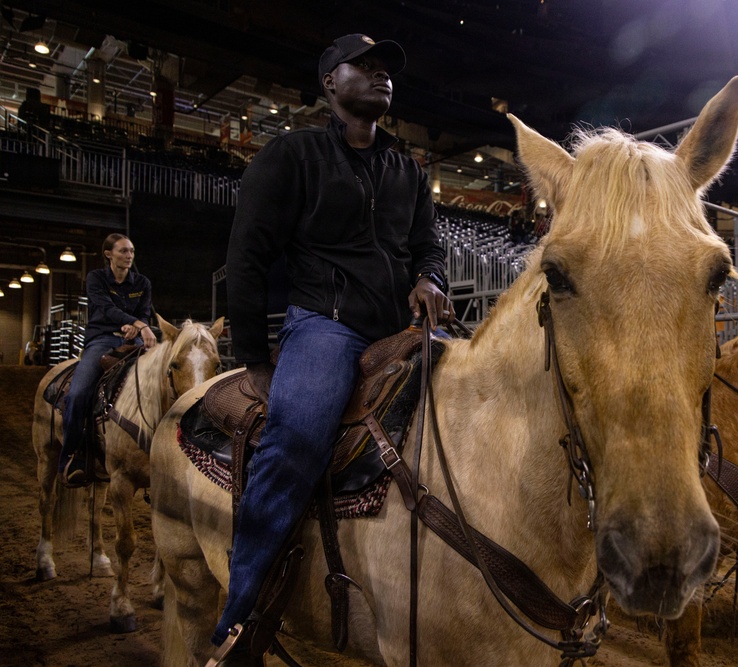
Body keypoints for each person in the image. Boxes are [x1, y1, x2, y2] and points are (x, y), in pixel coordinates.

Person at [209, 33, 453, 664]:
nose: (381, 77)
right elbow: (247, 258)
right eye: (365, 67)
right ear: (328, 82)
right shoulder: (291, 155)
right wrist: (258, 359)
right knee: (295, 444)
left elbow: (427, 246)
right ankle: (241, 616)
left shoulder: (407, 168)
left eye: (386, 70)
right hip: (325, 325)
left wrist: (430, 278)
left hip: (399, 326)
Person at [60, 233, 157, 486]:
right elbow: (105, 308)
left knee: (160, 382)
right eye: (123, 251)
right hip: (101, 339)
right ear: (108, 254)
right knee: (78, 393)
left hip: (131, 341)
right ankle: (71, 457)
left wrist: (138, 326)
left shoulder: (142, 283)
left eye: (132, 251)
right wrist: (135, 323)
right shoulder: (96, 278)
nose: (129, 256)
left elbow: (145, 312)